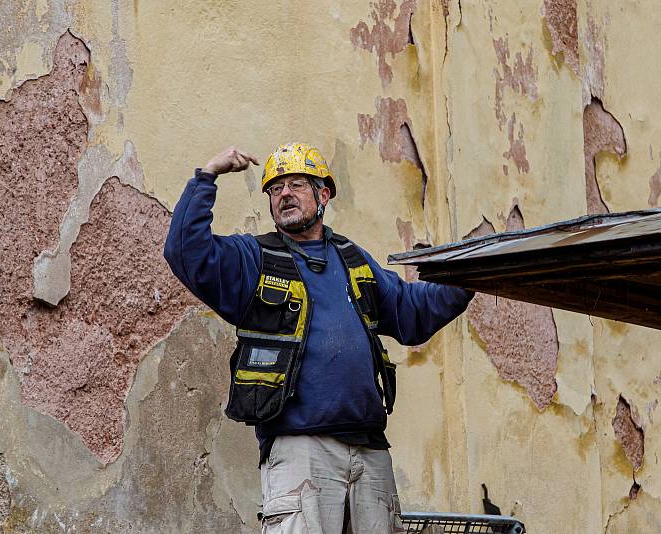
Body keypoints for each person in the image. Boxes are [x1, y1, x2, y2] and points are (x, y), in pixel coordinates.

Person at [163, 142, 473, 533]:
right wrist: (208, 174)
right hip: (301, 449)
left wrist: (469, 278)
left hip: (369, 449)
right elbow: (186, 251)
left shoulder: (352, 259)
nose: (285, 194)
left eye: (296, 184)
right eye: (276, 189)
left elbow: (410, 311)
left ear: (323, 195)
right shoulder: (253, 258)